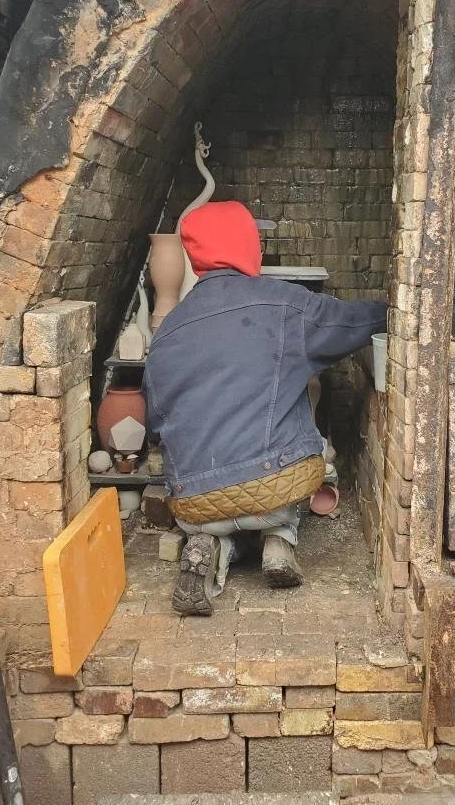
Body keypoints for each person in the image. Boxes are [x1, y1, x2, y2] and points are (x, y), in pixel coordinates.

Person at [143, 200, 388, 616]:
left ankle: (209, 545)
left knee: (218, 515)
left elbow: (154, 424)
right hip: (274, 490)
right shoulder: (286, 305)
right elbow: (350, 323)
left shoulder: (168, 328)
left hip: (193, 502)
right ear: (246, 246)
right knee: (306, 413)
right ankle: (279, 540)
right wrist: (394, 308)